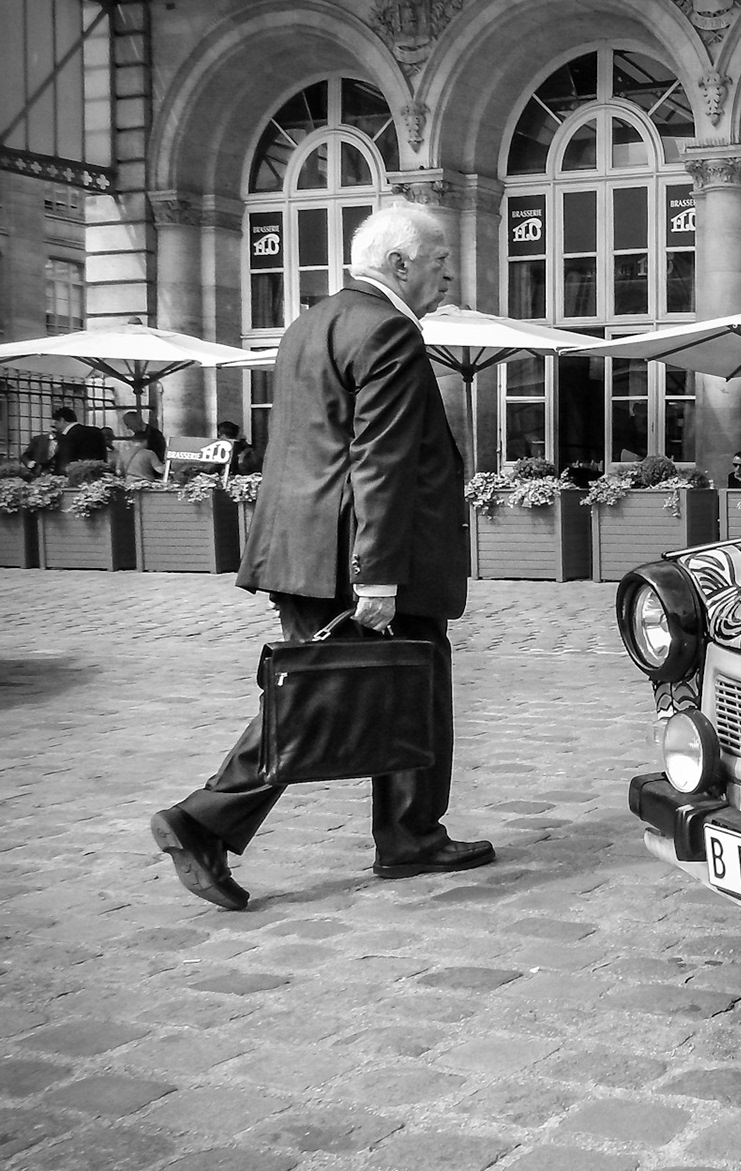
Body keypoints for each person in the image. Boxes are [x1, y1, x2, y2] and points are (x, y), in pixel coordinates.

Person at [150, 201, 490, 912]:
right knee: (335, 698)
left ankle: (408, 832)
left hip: (301, 548)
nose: (448, 275)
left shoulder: (310, 322)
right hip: (360, 557)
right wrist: (379, 575)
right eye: (438, 262)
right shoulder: (389, 329)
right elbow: (382, 461)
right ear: (399, 265)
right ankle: (203, 819)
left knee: (364, 693)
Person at [48, 407, 108, 471]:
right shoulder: (96, 431)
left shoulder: (67, 437)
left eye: (56, 423)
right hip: (99, 472)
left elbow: (65, 460)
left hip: (76, 474)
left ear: (62, 420)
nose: (56, 428)